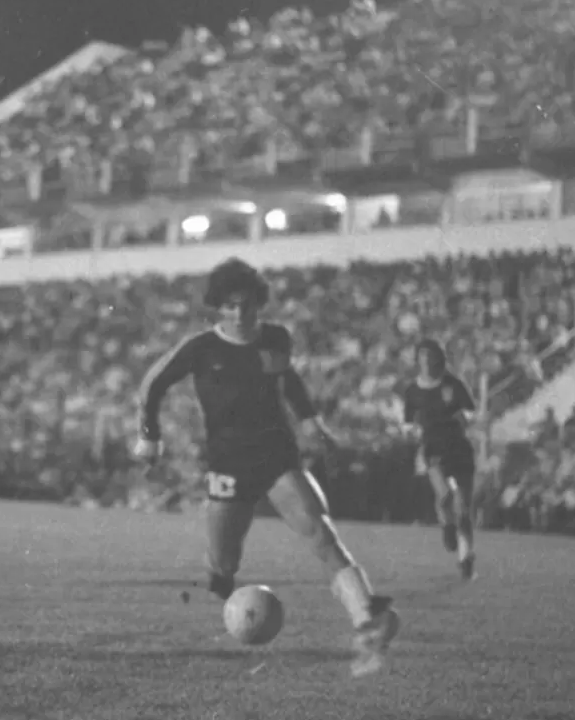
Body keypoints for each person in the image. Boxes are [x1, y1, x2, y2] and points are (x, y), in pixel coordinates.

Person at [135, 258, 400, 677]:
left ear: (259, 303)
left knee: (319, 530)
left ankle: (369, 618)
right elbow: (153, 384)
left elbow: (287, 380)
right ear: (218, 307)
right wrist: (150, 437)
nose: (239, 314)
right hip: (227, 464)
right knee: (223, 563)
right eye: (229, 306)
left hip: (277, 456)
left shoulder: (275, 339)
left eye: (246, 305)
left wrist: (312, 423)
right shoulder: (202, 348)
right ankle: (222, 601)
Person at [401, 338, 478, 580]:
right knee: (444, 496)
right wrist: (412, 431)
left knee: (464, 508)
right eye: (423, 358)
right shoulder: (412, 391)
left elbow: (470, 411)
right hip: (433, 449)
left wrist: (463, 417)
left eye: (432, 357)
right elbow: (406, 423)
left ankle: (466, 557)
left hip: (459, 447)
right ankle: (447, 525)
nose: (428, 362)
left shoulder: (453, 384)